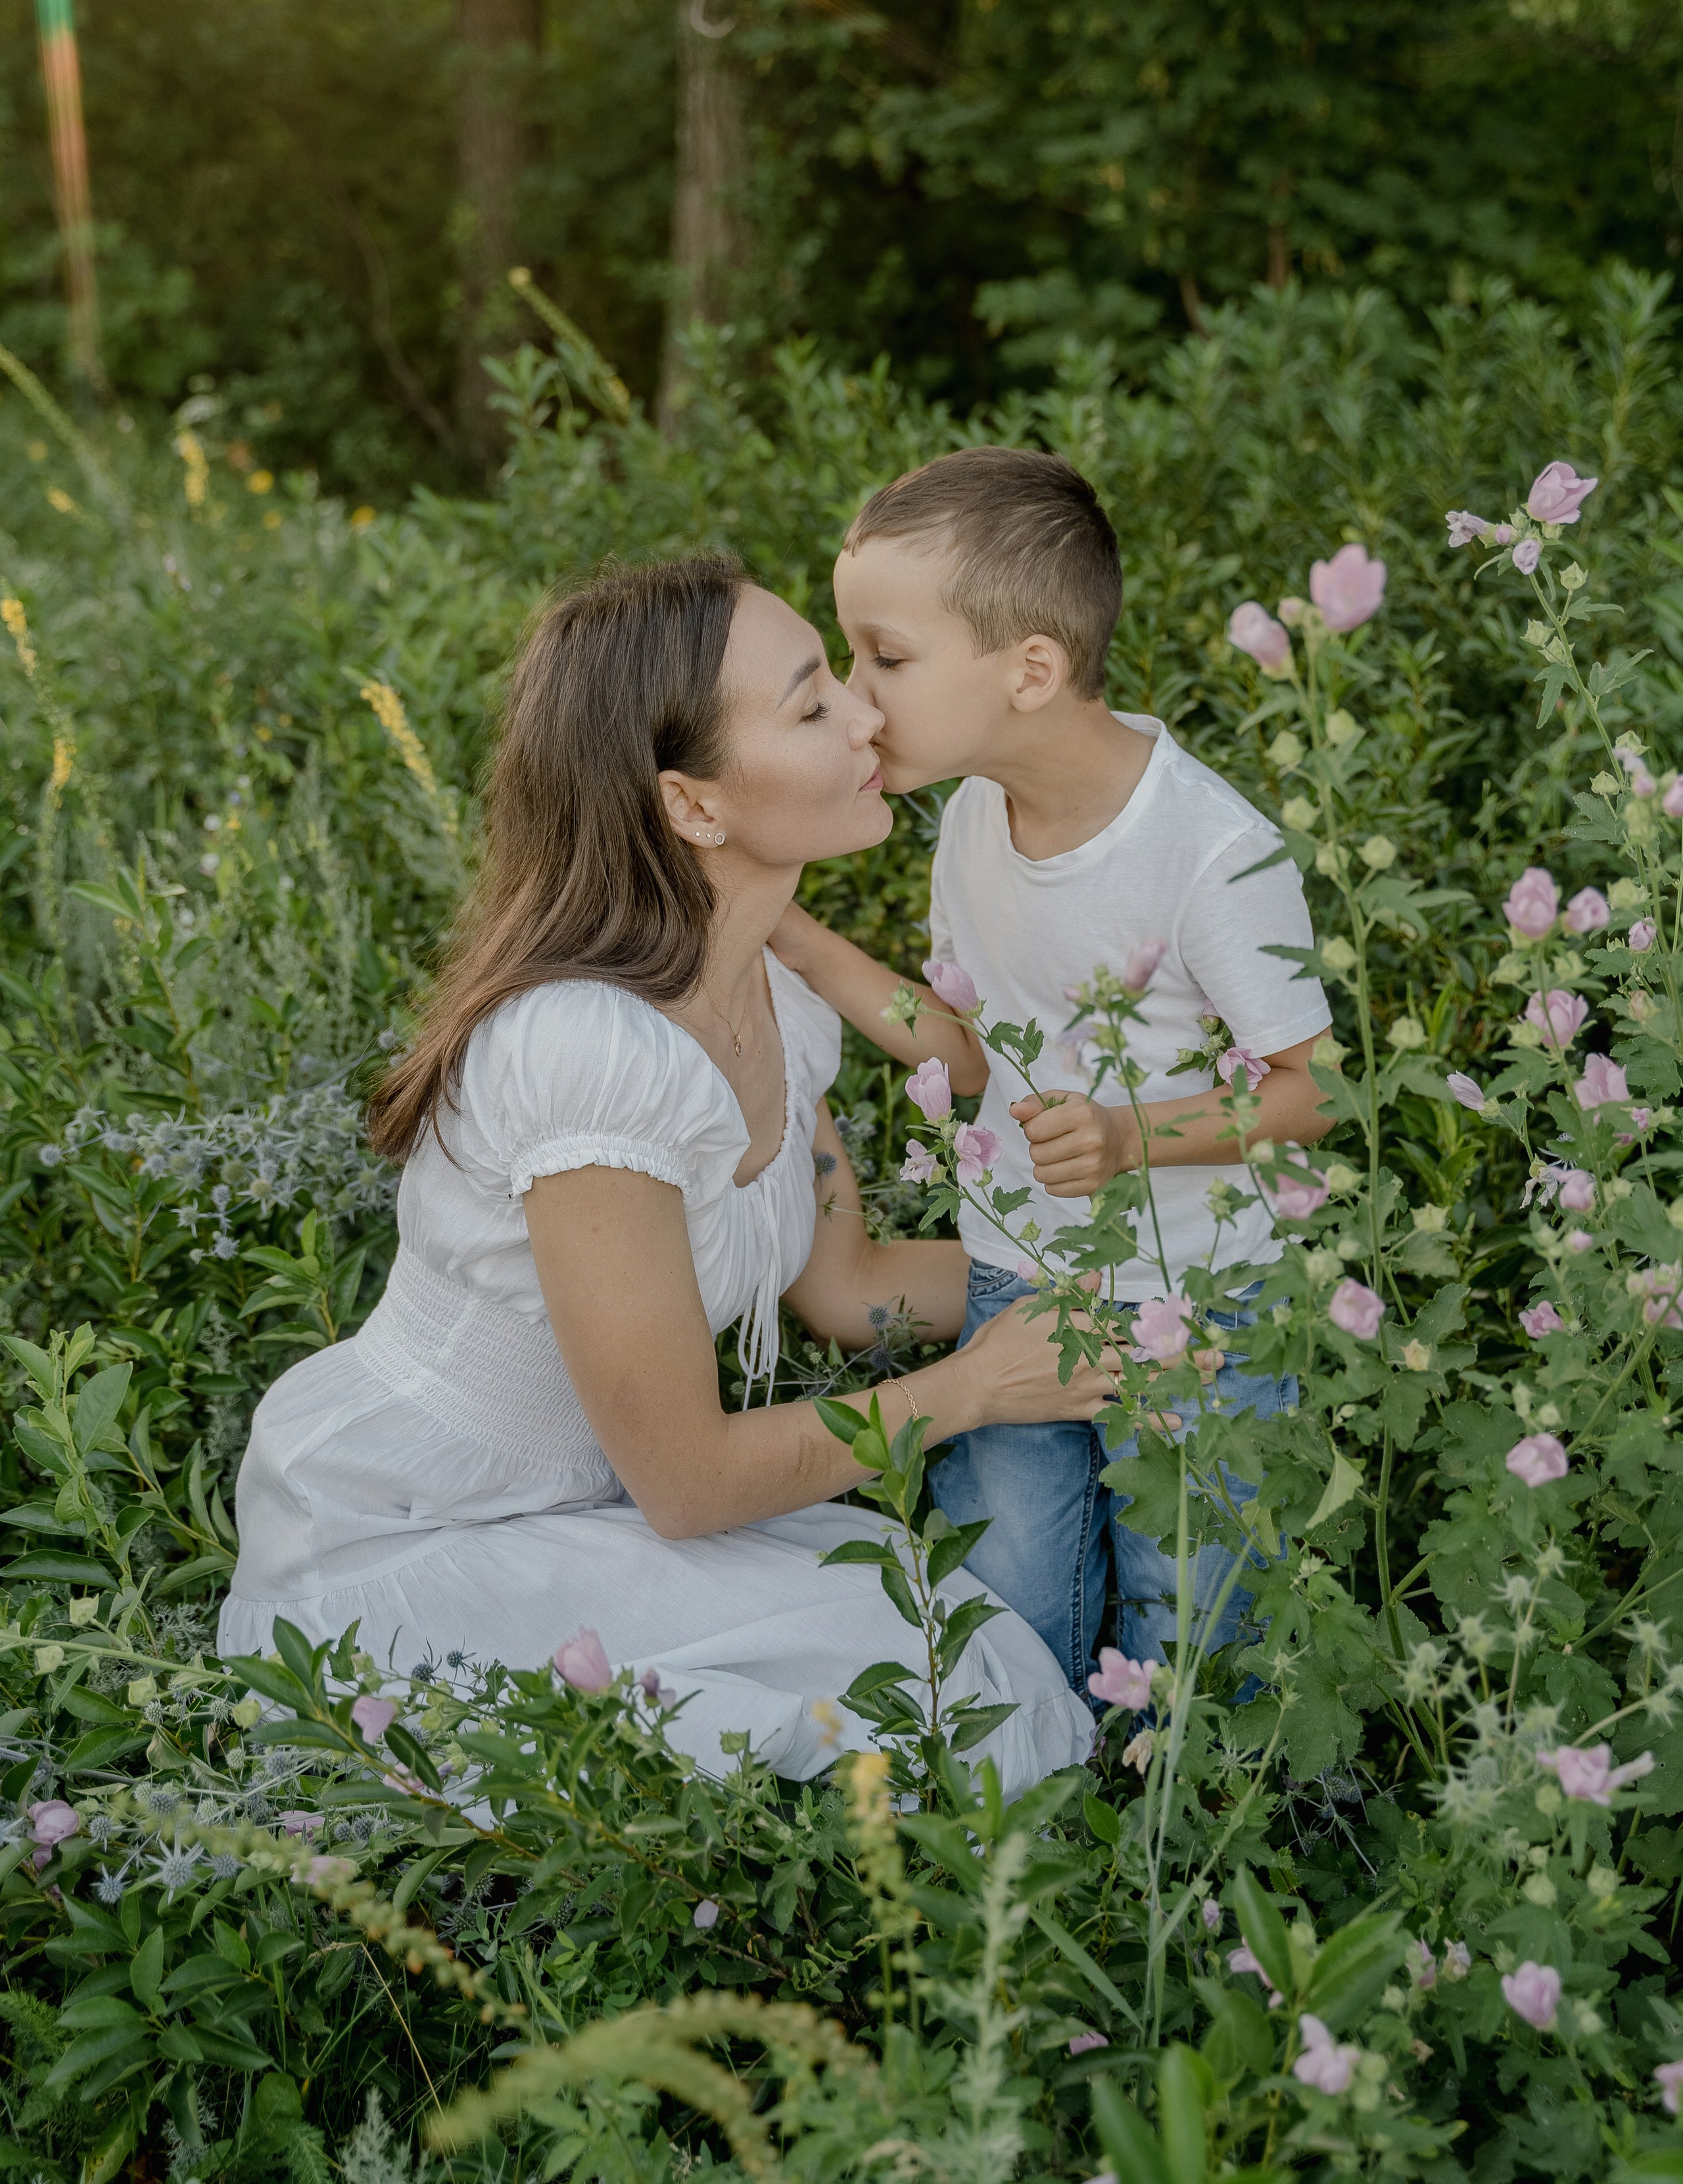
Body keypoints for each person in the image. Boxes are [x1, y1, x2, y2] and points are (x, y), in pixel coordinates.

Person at [220, 557, 1111, 1792]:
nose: (868, 717)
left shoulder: (776, 1002)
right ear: (691, 806)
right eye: (812, 705)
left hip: (595, 1510)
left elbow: (849, 1287)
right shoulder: (587, 1053)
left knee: (961, 1653)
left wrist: (1103, 1282)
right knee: (967, 1697)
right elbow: (690, 1483)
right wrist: (975, 1389)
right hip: (409, 1542)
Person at [769, 448, 1333, 1696]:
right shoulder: (974, 815)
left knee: (1194, 1632)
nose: (856, 703)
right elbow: (970, 1049)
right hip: (1016, 1275)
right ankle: (1045, 1800)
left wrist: (1134, 1136)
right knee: (1010, 1607)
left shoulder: (1212, 853)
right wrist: (793, 940)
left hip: (1201, 1306)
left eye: (885, 659)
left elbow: (1316, 1089)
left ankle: (1185, 1811)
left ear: (1030, 671)